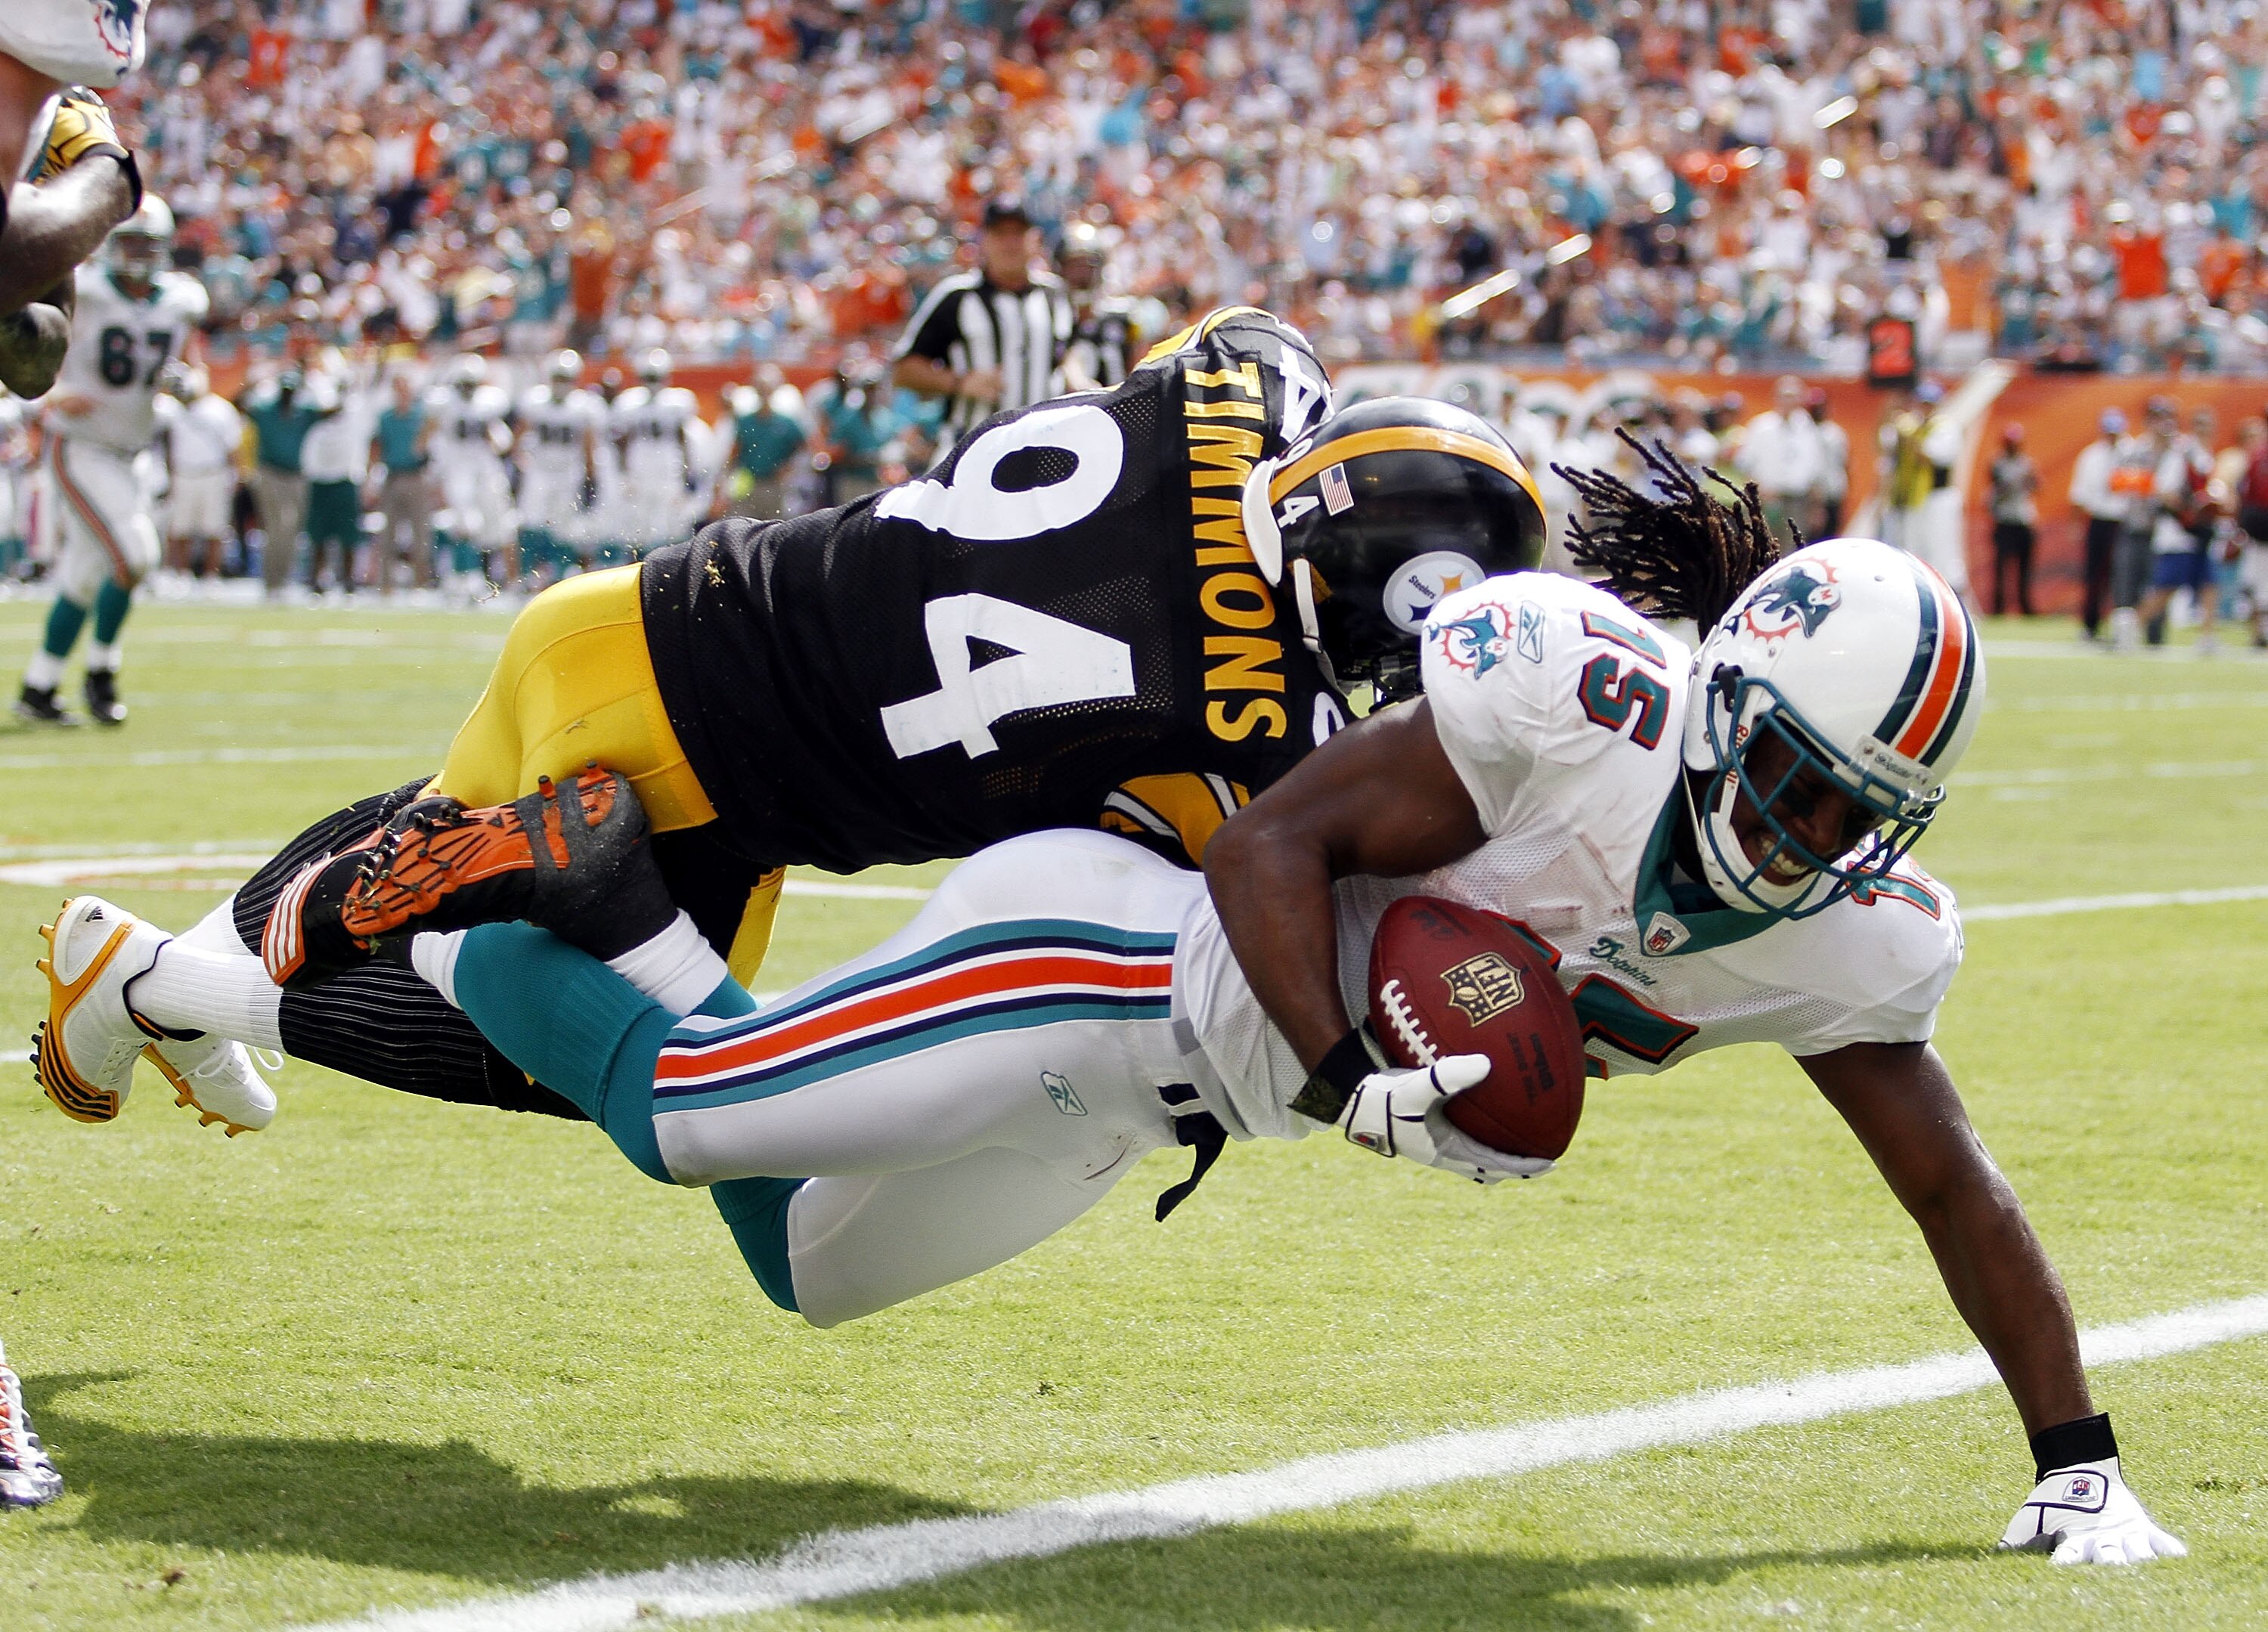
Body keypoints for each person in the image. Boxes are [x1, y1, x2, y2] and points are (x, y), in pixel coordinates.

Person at [85, 485, 2185, 1569]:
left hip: (1162, 1107)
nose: (1796, 838)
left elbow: (1948, 1178)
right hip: (1109, 958)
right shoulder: (1578, 703)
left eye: (1846, 817)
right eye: (1790, 778)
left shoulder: (1840, 936)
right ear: (1720, 694)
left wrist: (2077, 1458)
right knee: (696, 1113)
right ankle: (549, 885)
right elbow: (1274, 852)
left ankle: (506, 929)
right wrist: (1361, 1070)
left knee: (799, 1262)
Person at [35, 312, 1542, 1154]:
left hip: (637, 609)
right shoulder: (1240, 735)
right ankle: (185, 986)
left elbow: (1244, 345)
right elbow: (1270, 857)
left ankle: (145, 976)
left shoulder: (1235, 388)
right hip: (697, 783)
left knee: (432, 822)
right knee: (575, 1059)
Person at [15, 194, 204, 726]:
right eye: (130, 243)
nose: (140, 254)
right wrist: (49, 398)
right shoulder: (86, 291)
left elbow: (192, 367)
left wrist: (187, 385)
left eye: (149, 244)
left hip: (135, 453)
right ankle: (102, 672)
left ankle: (39, 687)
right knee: (134, 554)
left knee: (83, 575)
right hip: (80, 446)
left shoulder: (183, 299)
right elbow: (20, 346)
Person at [892, 197, 1071, 462]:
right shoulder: (957, 296)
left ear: (1035, 239)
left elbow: (1066, 352)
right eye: (1000, 234)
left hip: (1041, 448)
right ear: (983, 240)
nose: (1010, 243)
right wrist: (960, 382)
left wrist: (1076, 377)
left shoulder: (1054, 294)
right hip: (971, 451)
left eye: (1018, 234)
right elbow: (904, 371)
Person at [239, 366, 335, 599]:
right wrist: (256, 382)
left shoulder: (304, 412)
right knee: (275, 528)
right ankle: (272, 581)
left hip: (296, 476)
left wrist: (316, 380)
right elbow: (240, 403)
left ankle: (282, 579)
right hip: (270, 473)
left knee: (291, 529)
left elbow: (333, 410)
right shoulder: (265, 410)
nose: (288, 394)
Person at [426, 352, 513, 594]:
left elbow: (502, 442)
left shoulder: (488, 404)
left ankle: (483, 577)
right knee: (462, 523)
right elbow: (429, 440)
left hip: (484, 470)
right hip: (457, 469)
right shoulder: (444, 404)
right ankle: (461, 574)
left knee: (493, 526)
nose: (467, 389)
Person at [2135, 405, 2220, 650]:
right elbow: (2164, 492)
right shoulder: (2181, 454)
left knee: (2208, 583)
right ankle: (2131, 628)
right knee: (2166, 588)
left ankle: (2207, 637)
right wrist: (2190, 512)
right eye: (2201, 425)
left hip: (2198, 533)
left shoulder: (2205, 455)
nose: (2206, 431)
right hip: (2178, 533)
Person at [513, 348, 600, 581]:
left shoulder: (584, 405)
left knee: (565, 526)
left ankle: (559, 574)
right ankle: (528, 575)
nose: (561, 383)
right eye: (558, 377)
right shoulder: (535, 400)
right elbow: (520, 434)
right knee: (531, 520)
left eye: (566, 378)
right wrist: (517, 462)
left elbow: (588, 444)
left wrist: (591, 478)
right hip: (539, 470)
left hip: (568, 472)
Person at [157, 366, 243, 582]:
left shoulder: (220, 409)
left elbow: (233, 446)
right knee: (179, 528)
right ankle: (180, 575)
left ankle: (210, 577)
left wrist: (236, 474)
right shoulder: (171, 408)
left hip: (212, 473)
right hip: (182, 473)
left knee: (214, 528)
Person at [609, 348, 697, 556]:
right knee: (638, 522)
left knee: (669, 522)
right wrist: (623, 474)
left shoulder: (678, 402)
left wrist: (688, 472)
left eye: (656, 377)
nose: (652, 382)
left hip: (668, 468)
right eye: (648, 377)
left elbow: (683, 439)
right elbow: (623, 442)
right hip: (639, 468)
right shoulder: (629, 402)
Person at [298, 361, 367, 594]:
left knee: (348, 536)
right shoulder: (315, 424)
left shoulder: (354, 416)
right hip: (320, 483)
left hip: (344, 481)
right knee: (318, 535)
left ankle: (348, 580)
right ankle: (316, 579)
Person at [1734, 376, 1825, 542]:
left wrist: (1816, 507)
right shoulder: (1761, 426)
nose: (1788, 401)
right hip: (1767, 499)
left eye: (1793, 396)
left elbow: (1816, 470)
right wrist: (1757, 493)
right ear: (1775, 397)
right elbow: (1744, 464)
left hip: (1798, 501)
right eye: (1785, 396)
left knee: (1793, 548)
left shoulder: (1808, 429)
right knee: (1763, 545)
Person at [367, 370, 433, 594]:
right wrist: (370, 480)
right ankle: (386, 584)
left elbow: (431, 446)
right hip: (393, 476)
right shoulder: (386, 418)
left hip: (417, 476)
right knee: (388, 534)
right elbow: (377, 448)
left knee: (421, 533)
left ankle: (419, 584)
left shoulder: (421, 415)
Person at [2067, 410, 2129, 643]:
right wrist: (2076, 524)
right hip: (2100, 520)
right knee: (2095, 576)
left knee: (2122, 576)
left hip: (2124, 521)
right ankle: (2091, 625)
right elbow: (2079, 494)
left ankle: (2122, 628)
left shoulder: (2131, 453)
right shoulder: (2091, 456)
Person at [1057, 220, 1139, 392]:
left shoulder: (1122, 318)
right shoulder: (1054, 320)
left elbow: (1137, 367)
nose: (1082, 275)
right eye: (1074, 265)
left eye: (1088, 266)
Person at [720, 364, 806, 522]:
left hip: (775, 485)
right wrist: (724, 482)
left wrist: (789, 467)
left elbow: (802, 448)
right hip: (749, 482)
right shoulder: (746, 421)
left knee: (774, 528)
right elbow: (735, 452)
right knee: (744, 526)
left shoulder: (786, 422)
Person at [1988, 423, 2038, 616]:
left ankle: (2026, 607)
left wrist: (2030, 481)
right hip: (2004, 519)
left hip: (2023, 519)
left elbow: (2037, 486)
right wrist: (2011, 485)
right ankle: (1998, 608)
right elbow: (1996, 491)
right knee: (2001, 568)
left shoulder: (2027, 463)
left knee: (2025, 569)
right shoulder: (1997, 463)